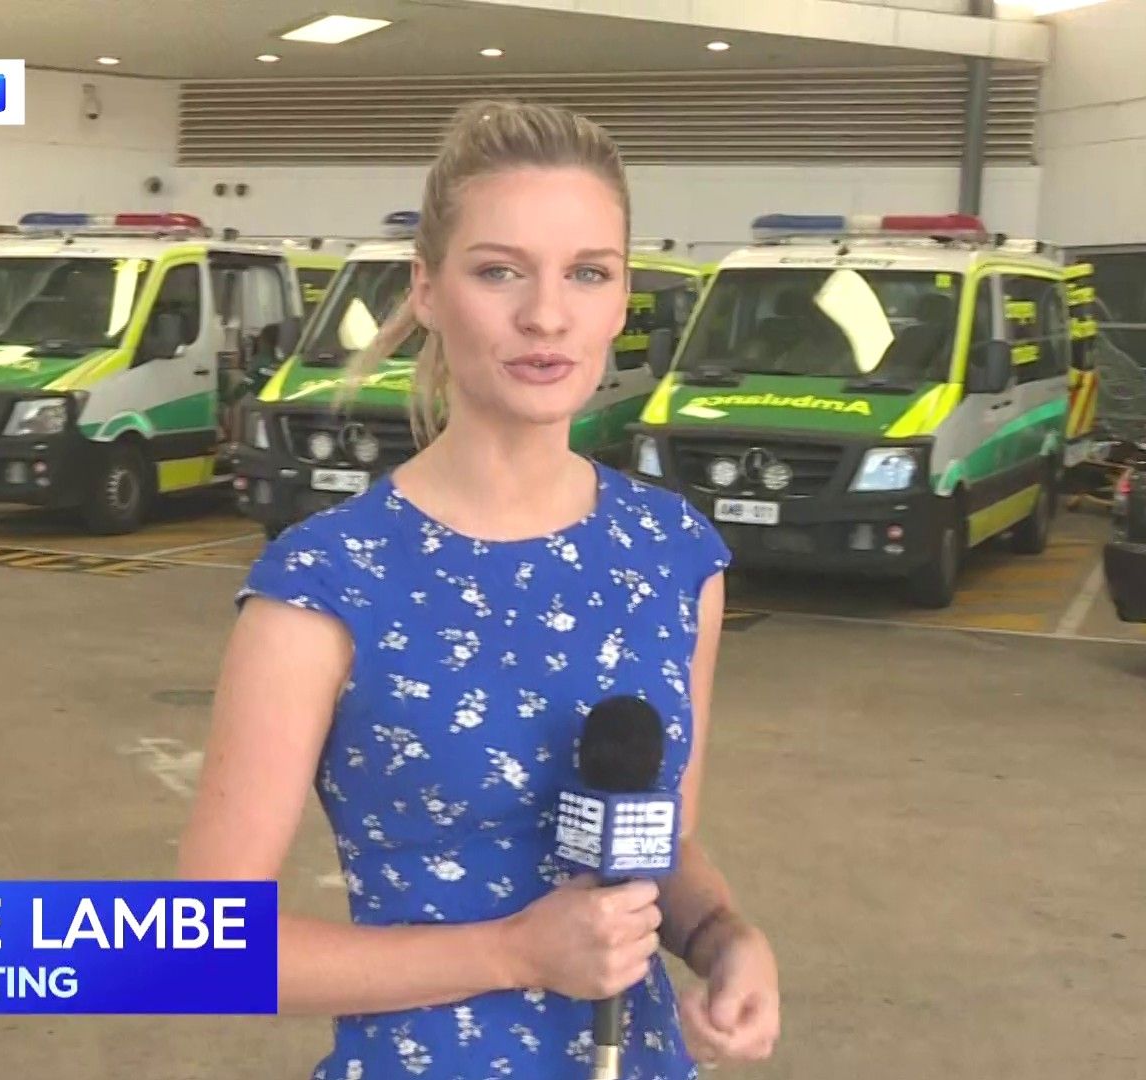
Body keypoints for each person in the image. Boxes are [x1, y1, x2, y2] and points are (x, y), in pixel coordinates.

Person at [177, 100, 780, 1079]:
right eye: (499, 271)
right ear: (427, 290)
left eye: (588, 272)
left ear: (623, 298)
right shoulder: (327, 584)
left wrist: (723, 937)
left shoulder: (674, 556)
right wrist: (513, 953)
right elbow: (204, 952)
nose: (547, 314)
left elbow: (659, 843)